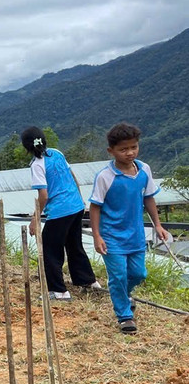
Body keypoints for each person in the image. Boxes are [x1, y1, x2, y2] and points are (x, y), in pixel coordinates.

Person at [89, 123, 167, 334]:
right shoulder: (105, 177)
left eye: (134, 147)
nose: (130, 152)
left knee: (139, 273)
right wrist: (97, 236)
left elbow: (148, 198)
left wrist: (158, 225)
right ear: (111, 151)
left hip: (135, 235)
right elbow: (95, 207)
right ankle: (124, 316)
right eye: (123, 149)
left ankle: (124, 295)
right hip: (111, 236)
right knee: (118, 276)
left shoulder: (144, 170)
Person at [22, 126, 99, 300]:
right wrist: (80, 200)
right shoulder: (56, 153)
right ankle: (88, 281)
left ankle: (58, 291)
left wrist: (35, 219)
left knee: (50, 250)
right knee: (74, 244)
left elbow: (44, 195)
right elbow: (73, 177)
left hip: (60, 211)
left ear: (26, 147)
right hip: (76, 206)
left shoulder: (36, 164)